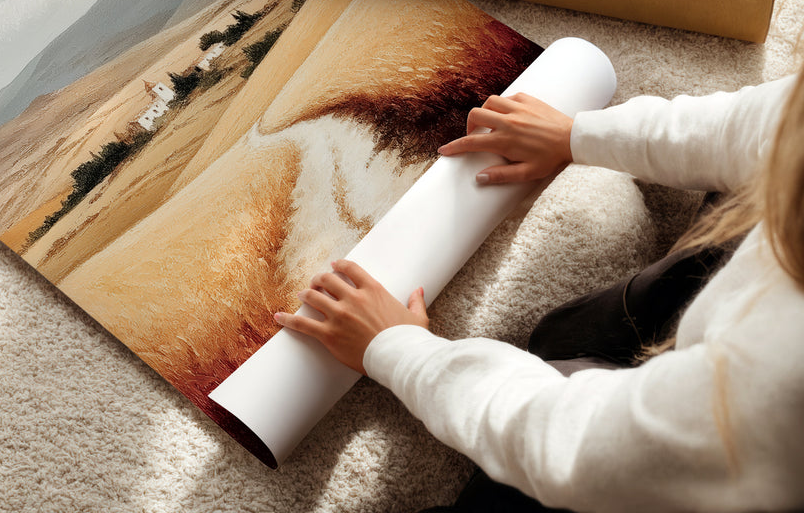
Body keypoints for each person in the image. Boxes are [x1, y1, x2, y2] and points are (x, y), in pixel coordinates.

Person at [274, 69, 804, 512]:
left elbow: (574, 446)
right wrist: (576, 135)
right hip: (733, 349)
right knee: (565, 336)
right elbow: (763, 123)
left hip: (724, 462)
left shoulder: (778, 383)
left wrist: (398, 349)